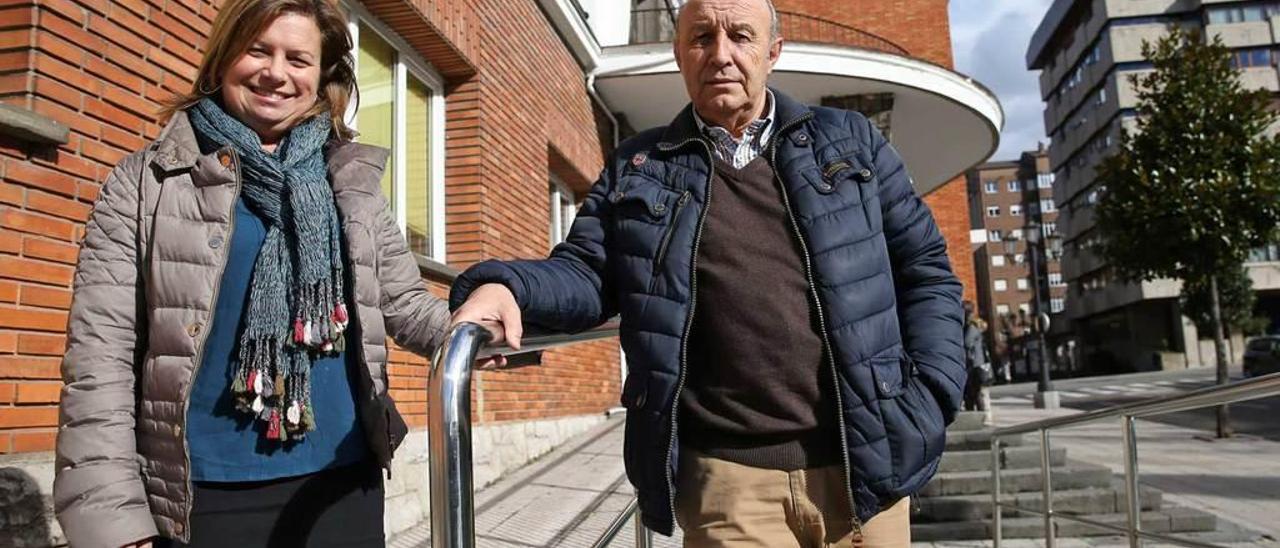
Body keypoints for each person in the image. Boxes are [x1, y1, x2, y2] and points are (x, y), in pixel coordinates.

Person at [450, 0, 965, 545]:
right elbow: (586, 273)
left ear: (773, 52)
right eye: (701, 38)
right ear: (678, 54)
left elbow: (926, 271)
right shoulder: (641, 167)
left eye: (740, 36)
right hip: (730, 484)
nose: (720, 55)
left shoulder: (851, 141)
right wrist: (504, 285)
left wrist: (932, 391)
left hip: (865, 465)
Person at [53, 1, 451, 546]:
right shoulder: (146, 181)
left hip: (341, 481)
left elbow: (405, 303)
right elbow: (100, 352)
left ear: (321, 76)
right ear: (223, 59)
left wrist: (488, 320)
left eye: (298, 59)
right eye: (258, 50)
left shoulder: (348, 181)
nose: (276, 73)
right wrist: (111, 515)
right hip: (203, 495)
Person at [962, 302, 993, 418]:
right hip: (978, 364)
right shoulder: (974, 326)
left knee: (975, 392)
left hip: (975, 364)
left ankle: (982, 417)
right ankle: (981, 416)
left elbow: (966, 342)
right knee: (976, 392)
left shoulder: (971, 327)